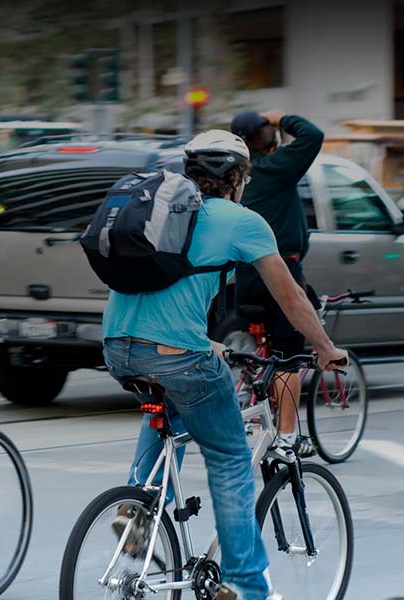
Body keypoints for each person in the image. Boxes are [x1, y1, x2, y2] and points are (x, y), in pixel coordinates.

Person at [103, 129, 347, 600]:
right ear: (238, 177)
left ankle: (137, 504)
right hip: (176, 355)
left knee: (171, 406)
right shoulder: (242, 220)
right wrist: (324, 346)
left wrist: (204, 341)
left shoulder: (160, 211)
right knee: (231, 460)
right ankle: (247, 586)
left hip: (117, 347)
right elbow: (291, 297)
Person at [229, 109, 325, 458]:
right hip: (281, 273)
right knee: (290, 357)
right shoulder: (277, 168)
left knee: (265, 345)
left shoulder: (240, 174)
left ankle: (255, 389)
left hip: (246, 279)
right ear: (265, 137)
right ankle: (286, 437)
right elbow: (313, 135)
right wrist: (283, 117)